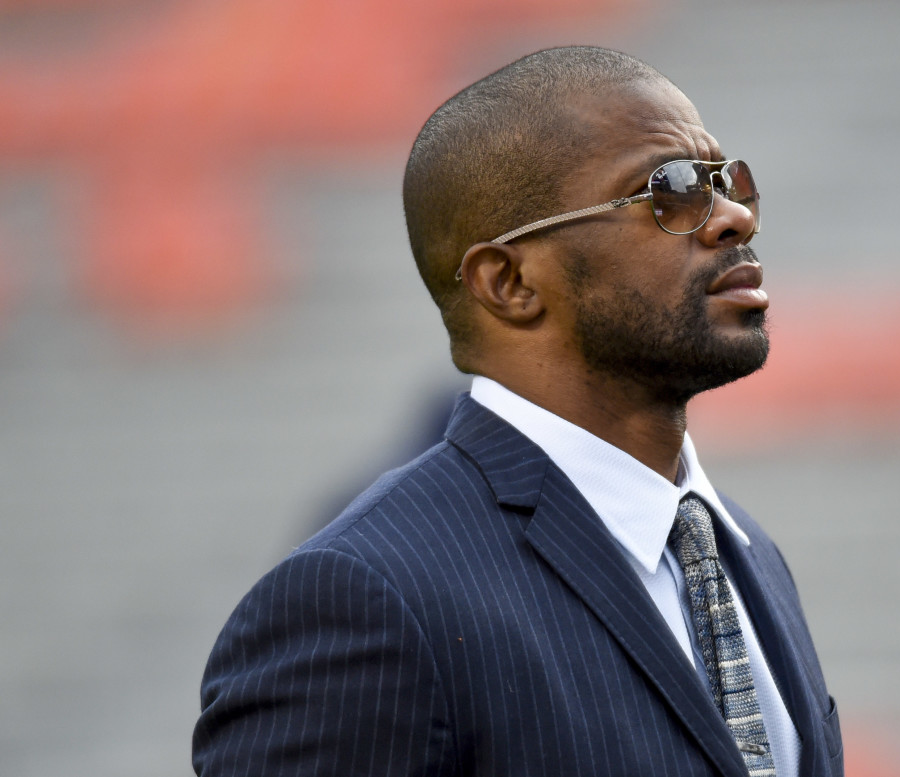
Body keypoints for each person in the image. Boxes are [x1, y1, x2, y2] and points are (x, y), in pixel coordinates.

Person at [193, 46, 843, 777]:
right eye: (670, 191)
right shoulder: (367, 595)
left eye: (730, 182)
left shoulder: (741, 550)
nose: (730, 218)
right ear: (508, 281)